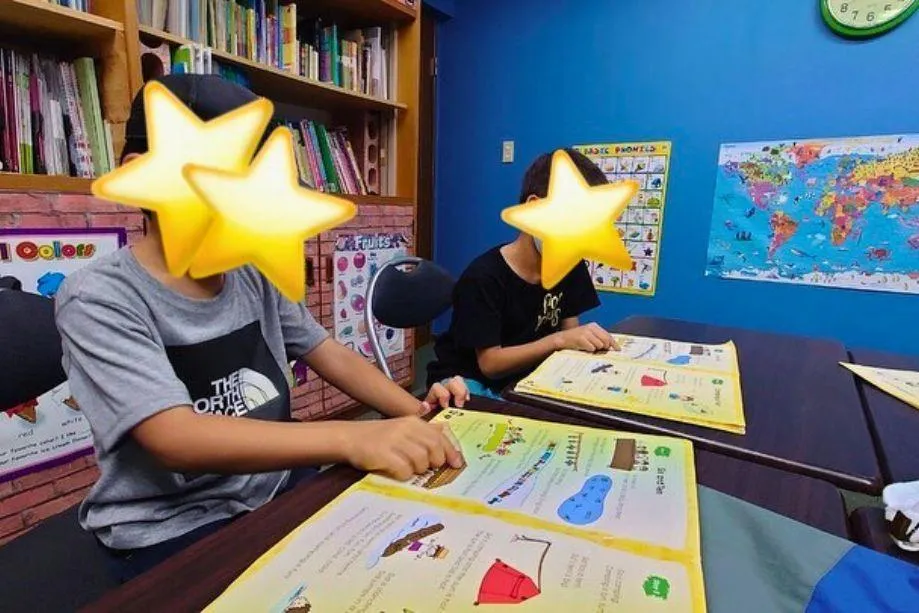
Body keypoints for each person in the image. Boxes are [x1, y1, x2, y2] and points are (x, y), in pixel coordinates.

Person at [54, 74, 468, 583]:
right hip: (174, 525)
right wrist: (350, 436)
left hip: (277, 487)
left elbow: (326, 350)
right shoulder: (99, 296)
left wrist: (419, 414)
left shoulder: (252, 275)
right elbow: (174, 437)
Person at [427, 148, 616, 398]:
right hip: (468, 382)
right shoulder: (482, 278)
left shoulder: (570, 265)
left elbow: (570, 332)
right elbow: (490, 364)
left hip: (528, 377)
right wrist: (559, 341)